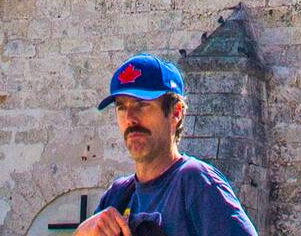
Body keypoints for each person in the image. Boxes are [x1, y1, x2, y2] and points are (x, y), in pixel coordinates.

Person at [74, 54, 259, 236]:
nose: (130, 118)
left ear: (175, 113)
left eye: (141, 105)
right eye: (121, 107)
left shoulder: (196, 182)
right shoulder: (117, 195)